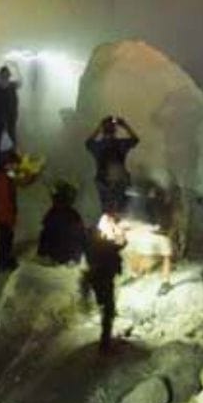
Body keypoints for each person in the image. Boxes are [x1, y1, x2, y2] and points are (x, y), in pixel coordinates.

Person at [82, 218, 126, 353]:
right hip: (105, 279)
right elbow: (121, 245)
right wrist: (120, 234)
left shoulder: (89, 247)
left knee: (104, 304)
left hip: (95, 279)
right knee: (108, 309)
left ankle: (105, 335)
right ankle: (105, 343)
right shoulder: (104, 246)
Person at [85, 115, 140, 217]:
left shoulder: (100, 146)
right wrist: (124, 125)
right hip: (119, 181)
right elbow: (135, 140)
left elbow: (88, 143)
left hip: (104, 181)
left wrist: (99, 126)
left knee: (108, 211)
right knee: (122, 210)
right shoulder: (119, 144)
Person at [37, 180, 88, 265]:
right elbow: (46, 234)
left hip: (63, 255)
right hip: (61, 255)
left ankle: (70, 258)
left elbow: (80, 236)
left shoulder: (66, 214)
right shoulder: (69, 214)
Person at [0, 63, 21, 152]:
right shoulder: (1, 85)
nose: (7, 75)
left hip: (11, 112)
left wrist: (16, 68)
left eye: (7, 74)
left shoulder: (10, 84)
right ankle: (9, 150)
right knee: (6, 131)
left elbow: (20, 83)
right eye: (5, 73)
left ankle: (12, 150)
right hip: (4, 113)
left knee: (11, 131)